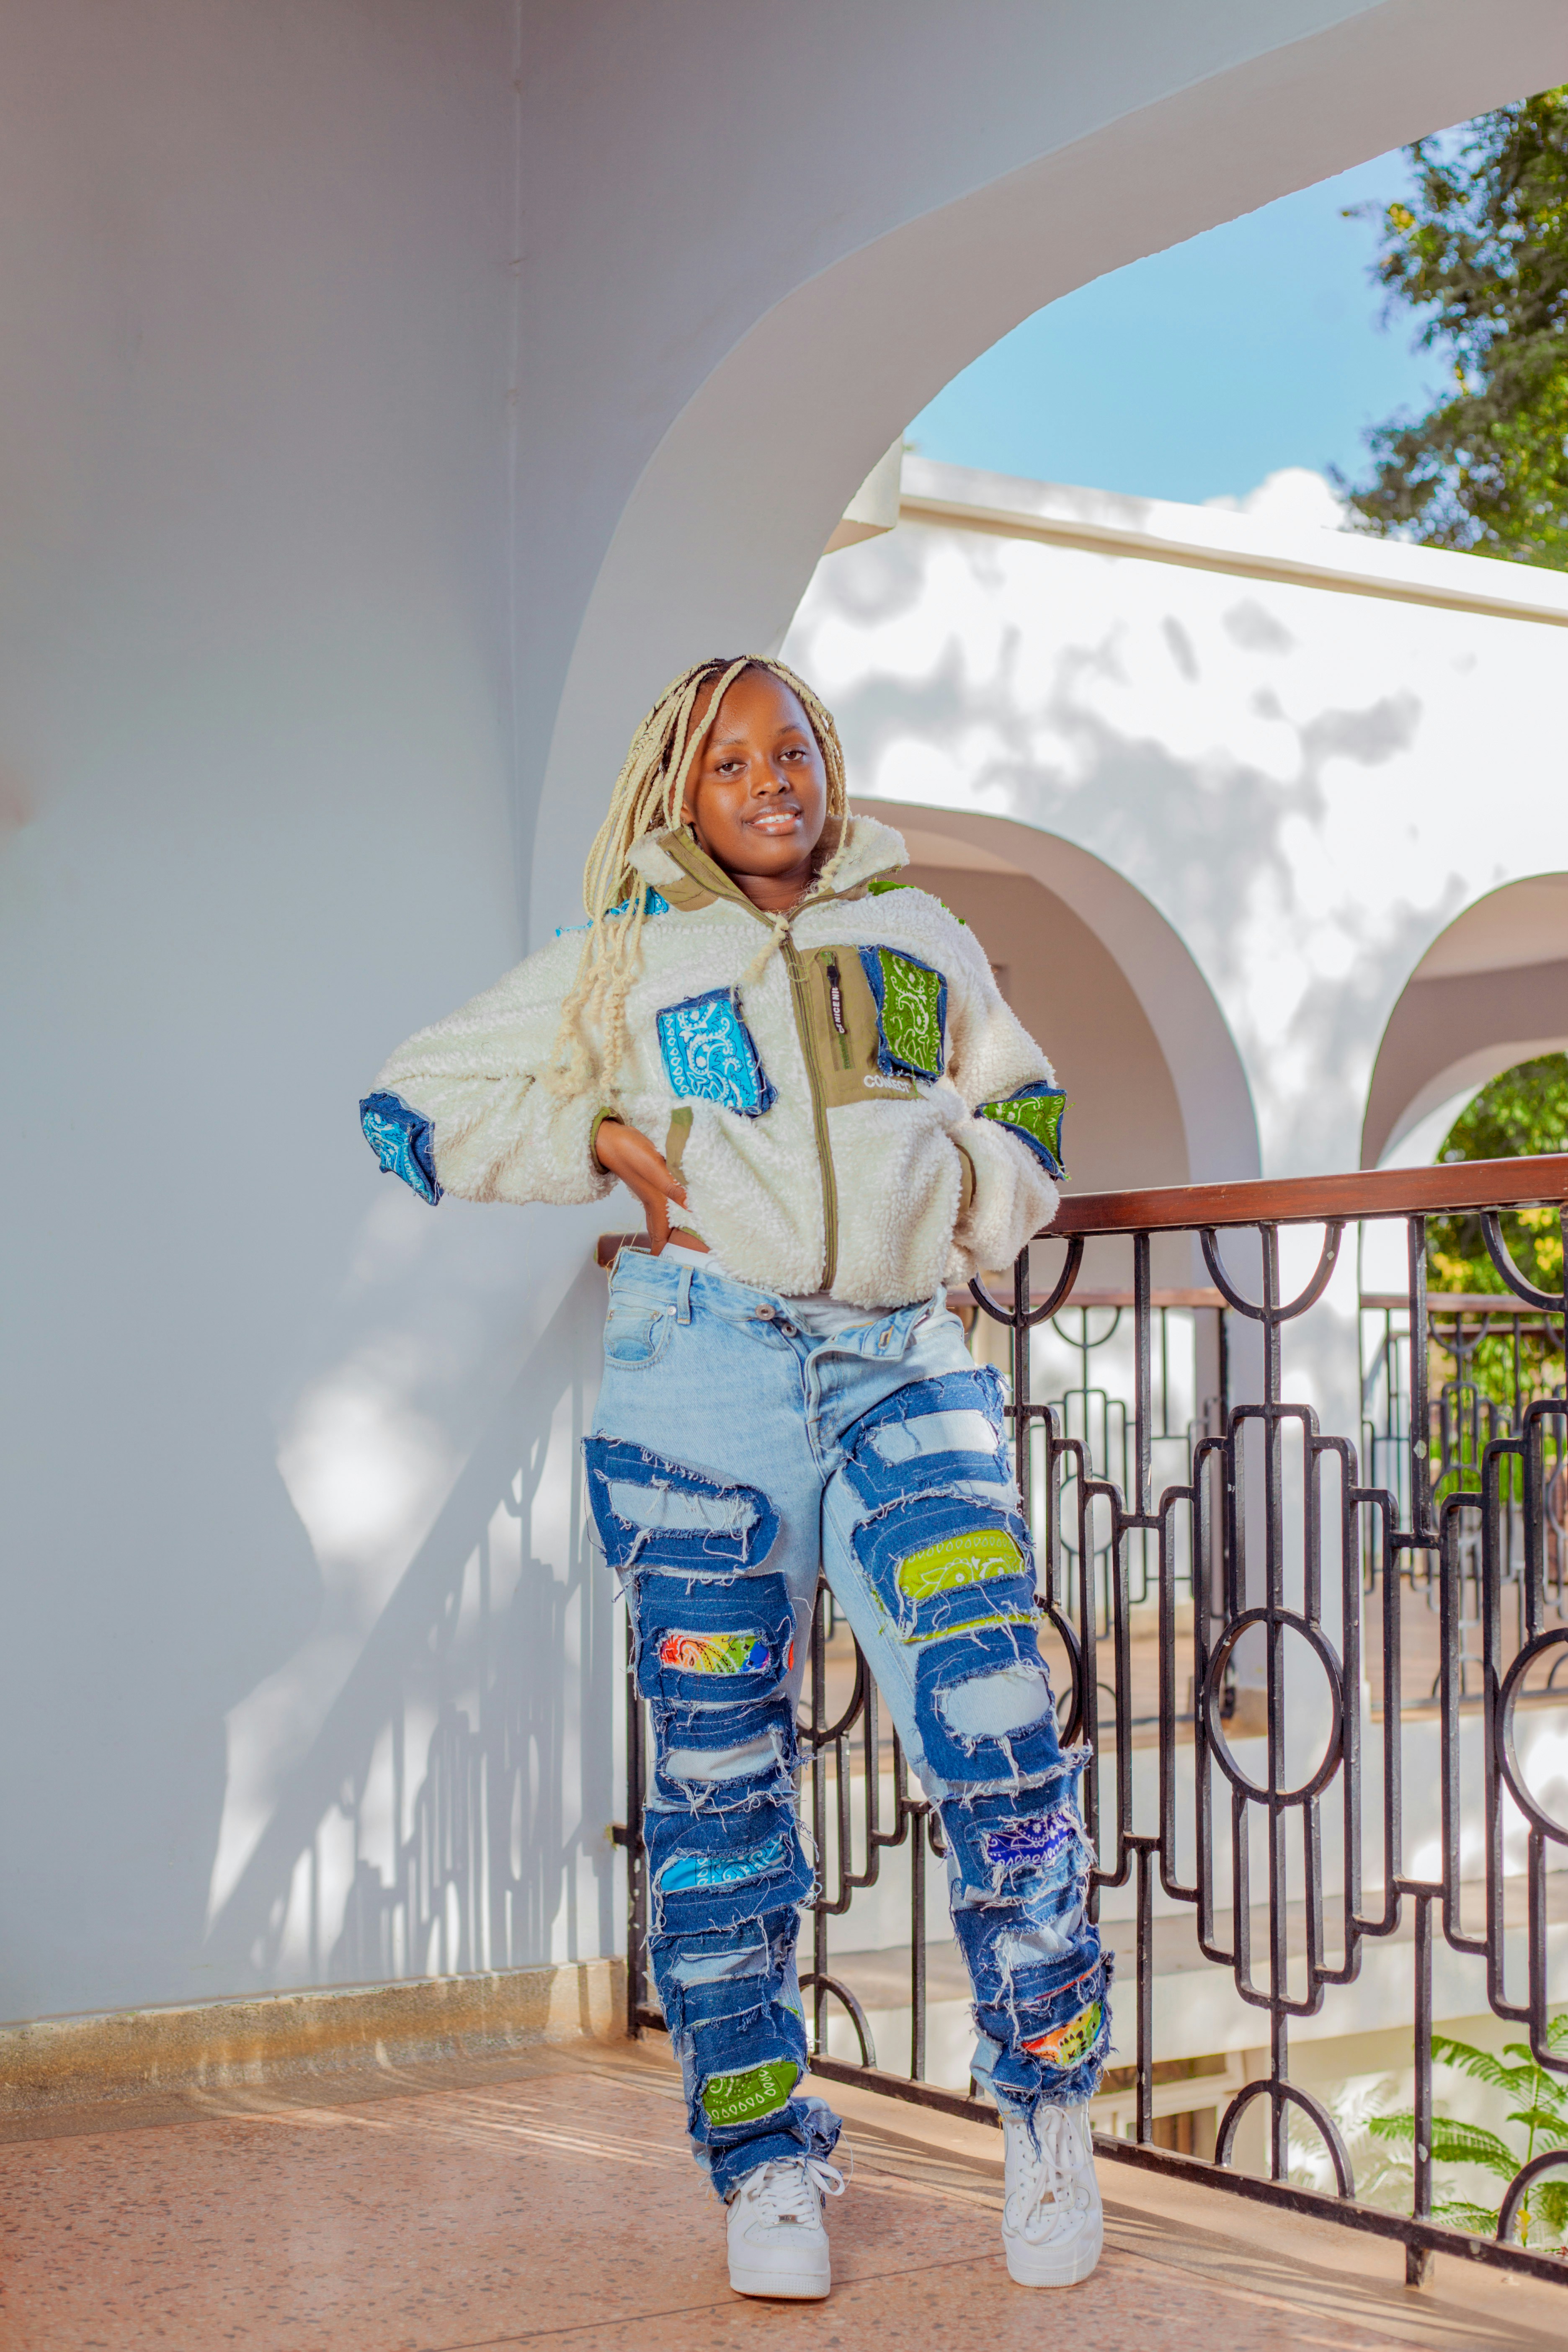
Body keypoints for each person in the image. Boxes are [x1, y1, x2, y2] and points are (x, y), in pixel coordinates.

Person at [361, 656, 1110, 2298]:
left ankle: (1051, 2112)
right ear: (681, 794)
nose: (770, 780)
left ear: (827, 764)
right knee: (719, 1791)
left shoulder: (923, 934)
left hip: (905, 1366)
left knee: (998, 1736)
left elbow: (1032, 1106)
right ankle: (765, 2163)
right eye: (729, 762)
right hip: (702, 1372)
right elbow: (413, 1102)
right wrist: (594, 1145)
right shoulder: (621, 958)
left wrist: (961, 1188)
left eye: (791, 750)